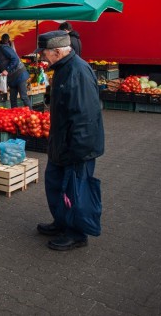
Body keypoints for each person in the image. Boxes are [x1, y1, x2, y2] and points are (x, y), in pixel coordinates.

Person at [35, 30, 104, 251]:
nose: (42, 57)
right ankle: (62, 222)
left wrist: (78, 150)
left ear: (57, 51)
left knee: (74, 189)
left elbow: (85, 115)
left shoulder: (78, 72)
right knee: (55, 184)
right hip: (61, 142)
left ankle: (77, 233)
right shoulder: (64, 69)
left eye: (44, 53)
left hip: (77, 146)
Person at [0, 39, 32, 109]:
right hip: (11, 78)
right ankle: (14, 114)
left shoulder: (4, 48)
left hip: (20, 74)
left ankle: (31, 113)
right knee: (12, 99)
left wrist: (7, 69)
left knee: (23, 97)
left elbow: (15, 59)